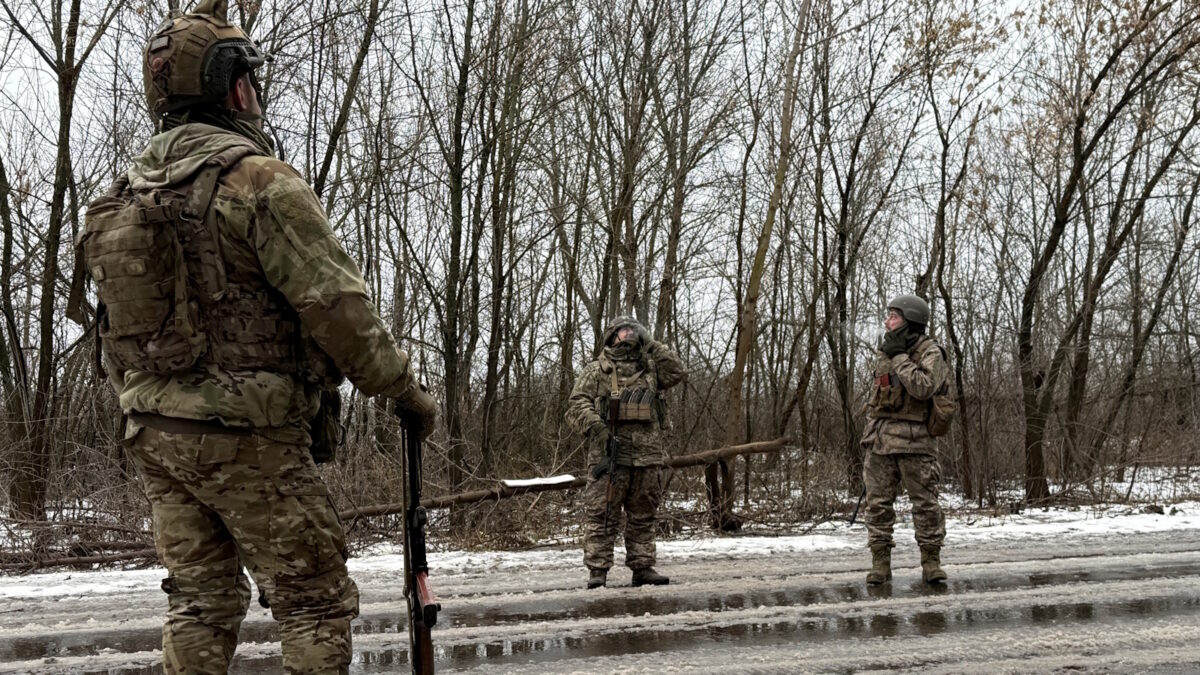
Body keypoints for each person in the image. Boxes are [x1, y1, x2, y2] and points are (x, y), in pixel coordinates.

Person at [75, 1, 437, 671]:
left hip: (153, 431)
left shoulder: (124, 195)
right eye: (250, 78)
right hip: (247, 428)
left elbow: (111, 337)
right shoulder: (258, 180)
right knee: (314, 600)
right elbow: (338, 308)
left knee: (199, 601)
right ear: (234, 87)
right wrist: (403, 390)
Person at [566, 317, 687, 589]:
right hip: (609, 455)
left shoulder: (651, 368)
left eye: (633, 330)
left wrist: (651, 344)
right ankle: (598, 570)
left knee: (644, 515)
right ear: (612, 336)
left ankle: (642, 567)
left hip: (647, 456)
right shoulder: (597, 370)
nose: (629, 333)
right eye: (623, 330)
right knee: (602, 515)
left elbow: (678, 371)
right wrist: (597, 428)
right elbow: (576, 404)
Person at [860, 294, 950, 586]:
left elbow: (923, 388)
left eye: (894, 316)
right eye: (887, 316)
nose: (887, 322)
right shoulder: (886, 351)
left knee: (925, 505)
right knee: (877, 505)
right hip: (880, 440)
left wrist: (899, 357)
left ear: (910, 321)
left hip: (916, 441)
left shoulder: (931, 351)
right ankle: (880, 564)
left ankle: (931, 563)